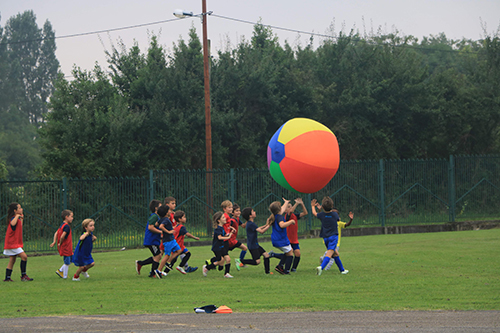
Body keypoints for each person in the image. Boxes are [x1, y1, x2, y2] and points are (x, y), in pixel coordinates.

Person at [312, 197, 349, 275]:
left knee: (335, 254)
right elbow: (338, 219)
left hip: (325, 238)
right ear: (332, 207)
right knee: (329, 254)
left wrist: (312, 206)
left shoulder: (322, 215)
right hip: (333, 237)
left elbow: (315, 214)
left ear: (322, 207)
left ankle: (342, 270)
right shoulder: (334, 214)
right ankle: (321, 267)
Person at [3, 202, 33, 282]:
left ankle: (7, 278)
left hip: (14, 243)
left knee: (12, 260)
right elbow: (12, 223)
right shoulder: (14, 217)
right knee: (24, 257)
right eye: (19, 208)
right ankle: (23, 276)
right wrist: (17, 216)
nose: (21, 209)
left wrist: (21, 218)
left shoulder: (18, 218)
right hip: (12, 243)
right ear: (15, 211)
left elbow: (19, 226)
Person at [266, 198, 295, 275]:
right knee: (290, 254)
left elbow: (281, 209)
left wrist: (286, 202)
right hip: (280, 239)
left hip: (276, 239)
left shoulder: (275, 215)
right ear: (279, 209)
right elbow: (282, 225)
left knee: (288, 251)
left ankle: (280, 266)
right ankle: (286, 271)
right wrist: (291, 221)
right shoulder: (280, 217)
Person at [240, 207, 272, 274]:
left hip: (255, 244)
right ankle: (241, 261)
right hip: (253, 246)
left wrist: (266, 225)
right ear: (250, 216)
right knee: (257, 262)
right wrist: (269, 225)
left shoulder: (250, 223)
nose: (255, 212)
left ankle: (267, 272)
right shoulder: (251, 224)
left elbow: (257, 228)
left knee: (266, 255)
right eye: (253, 211)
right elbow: (262, 231)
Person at [203, 211, 235, 278]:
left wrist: (229, 233)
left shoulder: (222, 228)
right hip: (217, 248)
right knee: (220, 261)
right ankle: (207, 267)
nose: (225, 219)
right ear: (218, 220)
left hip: (222, 247)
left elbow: (223, 235)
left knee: (228, 259)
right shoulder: (217, 229)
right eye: (223, 217)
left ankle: (226, 274)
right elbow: (219, 237)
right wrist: (228, 237)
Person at [136, 200, 163, 278]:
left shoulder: (157, 217)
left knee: (158, 256)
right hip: (151, 241)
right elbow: (150, 227)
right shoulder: (154, 216)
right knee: (158, 256)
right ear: (156, 208)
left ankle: (141, 263)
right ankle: (153, 273)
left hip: (154, 240)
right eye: (160, 206)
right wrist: (161, 232)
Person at [284, 198, 308, 272]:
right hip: (288, 239)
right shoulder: (286, 216)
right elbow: (291, 211)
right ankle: (275, 257)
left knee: (297, 254)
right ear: (285, 210)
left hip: (294, 239)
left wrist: (302, 203)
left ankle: (293, 268)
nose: (290, 208)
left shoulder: (295, 216)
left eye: (291, 206)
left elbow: (305, 213)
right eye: (288, 207)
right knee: (288, 255)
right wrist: (296, 203)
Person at [158, 205, 182, 276]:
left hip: (172, 240)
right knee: (167, 255)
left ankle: (168, 262)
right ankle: (159, 270)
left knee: (179, 251)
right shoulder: (166, 219)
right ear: (166, 212)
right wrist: (168, 232)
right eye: (169, 210)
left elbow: (157, 224)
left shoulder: (161, 219)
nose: (170, 211)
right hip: (168, 240)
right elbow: (160, 226)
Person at [50, 209, 74, 279]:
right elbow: (62, 236)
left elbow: (56, 233)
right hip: (66, 247)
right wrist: (60, 242)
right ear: (67, 217)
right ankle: (65, 276)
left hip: (67, 247)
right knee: (67, 262)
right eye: (71, 216)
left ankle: (60, 270)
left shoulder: (62, 225)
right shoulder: (66, 226)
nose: (72, 218)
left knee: (72, 259)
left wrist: (54, 241)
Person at [227, 204, 248, 271]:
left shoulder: (237, 219)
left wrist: (248, 219)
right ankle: (239, 262)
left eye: (239, 210)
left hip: (232, 240)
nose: (239, 212)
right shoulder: (232, 220)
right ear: (232, 213)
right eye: (236, 211)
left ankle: (210, 262)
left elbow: (243, 226)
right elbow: (226, 227)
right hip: (231, 241)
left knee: (222, 255)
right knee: (245, 248)